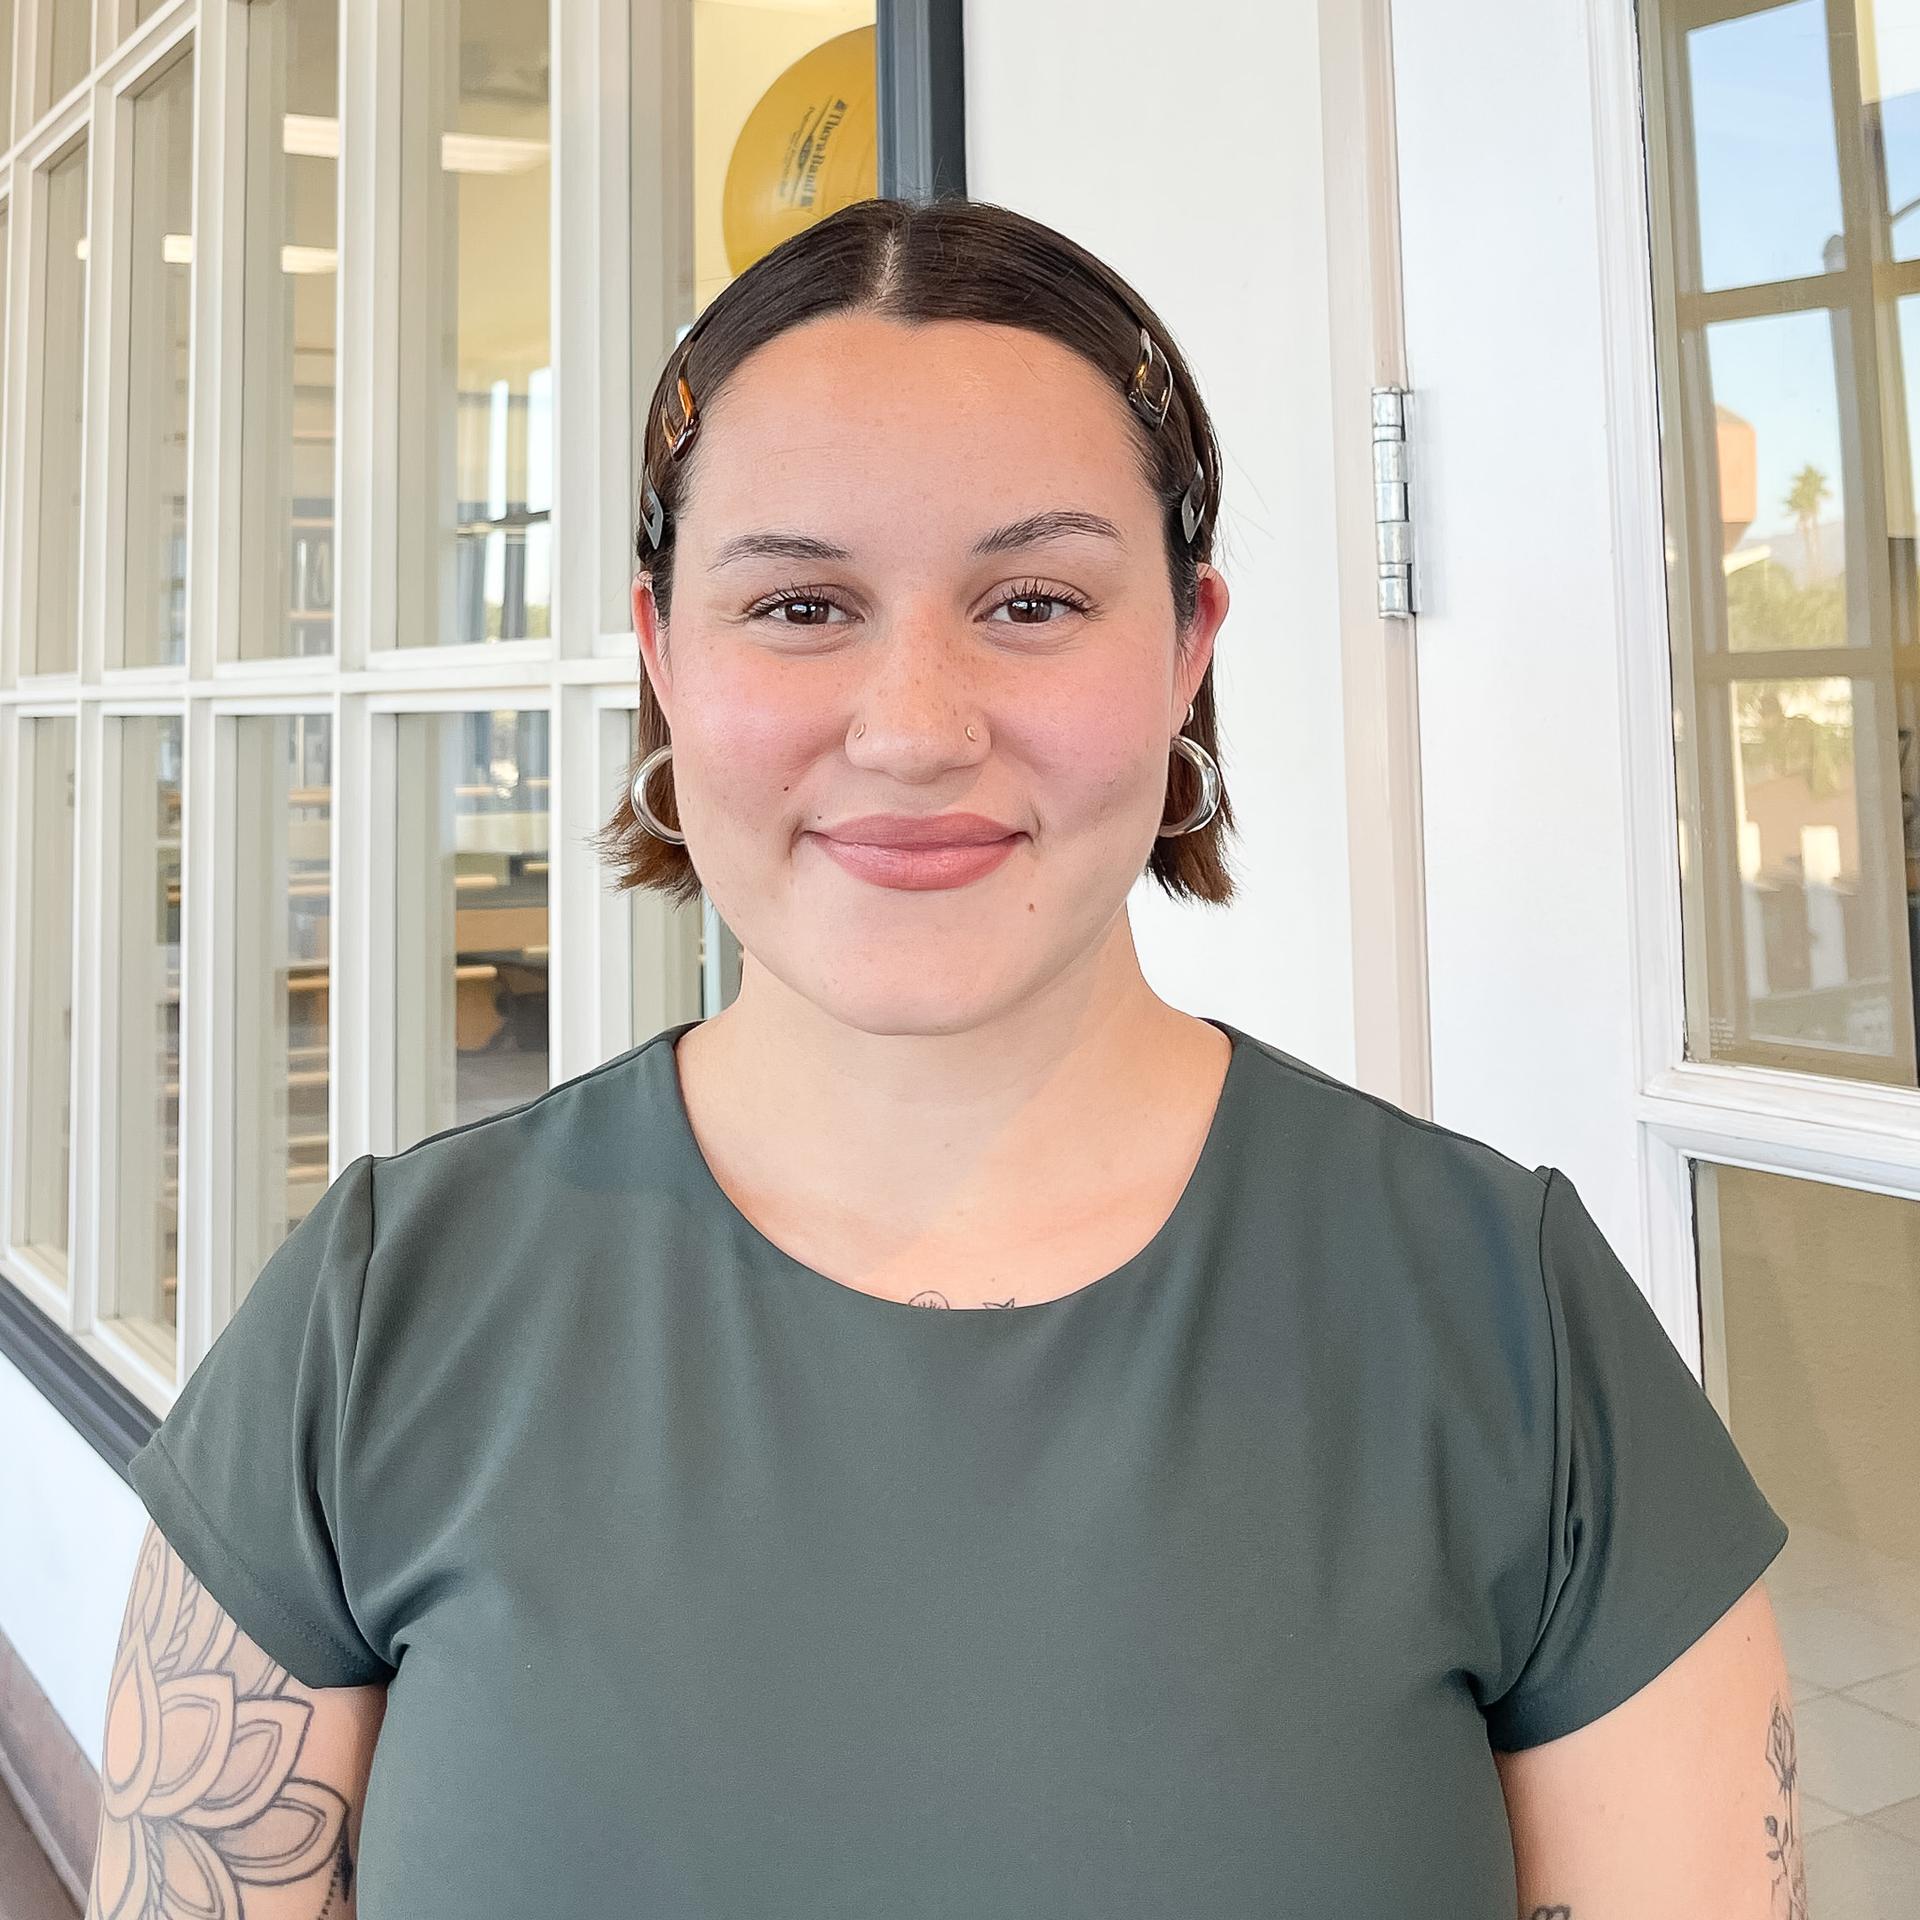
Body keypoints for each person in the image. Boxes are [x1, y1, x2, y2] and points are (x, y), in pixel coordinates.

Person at [94, 196, 1803, 1918]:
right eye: (801, 607)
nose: (914, 728)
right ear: (663, 654)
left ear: (1190, 645)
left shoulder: (1504, 1321)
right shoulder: (382, 1312)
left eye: (1037, 599)